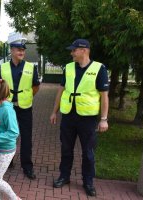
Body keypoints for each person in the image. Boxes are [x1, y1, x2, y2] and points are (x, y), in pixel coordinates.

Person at [50, 39, 109, 197]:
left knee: (88, 152)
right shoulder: (68, 68)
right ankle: (64, 176)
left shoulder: (99, 69)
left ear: (84, 50)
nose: (71, 53)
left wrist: (104, 119)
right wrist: (54, 112)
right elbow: (60, 91)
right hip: (68, 115)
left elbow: (104, 97)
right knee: (66, 149)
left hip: (88, 119)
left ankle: (88, 182)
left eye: (74, 50)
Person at [0, 32, 40, 180]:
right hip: (7, 107)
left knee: (26, 137)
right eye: (18, 49)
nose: (22, 51)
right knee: (7, 135)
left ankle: (27, 166)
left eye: (23, 49)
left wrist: (25, 97)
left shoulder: (30, 67)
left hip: (25, 107)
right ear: (11, 50)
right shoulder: (2, 67)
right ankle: (7, 162)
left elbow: (35, 86)